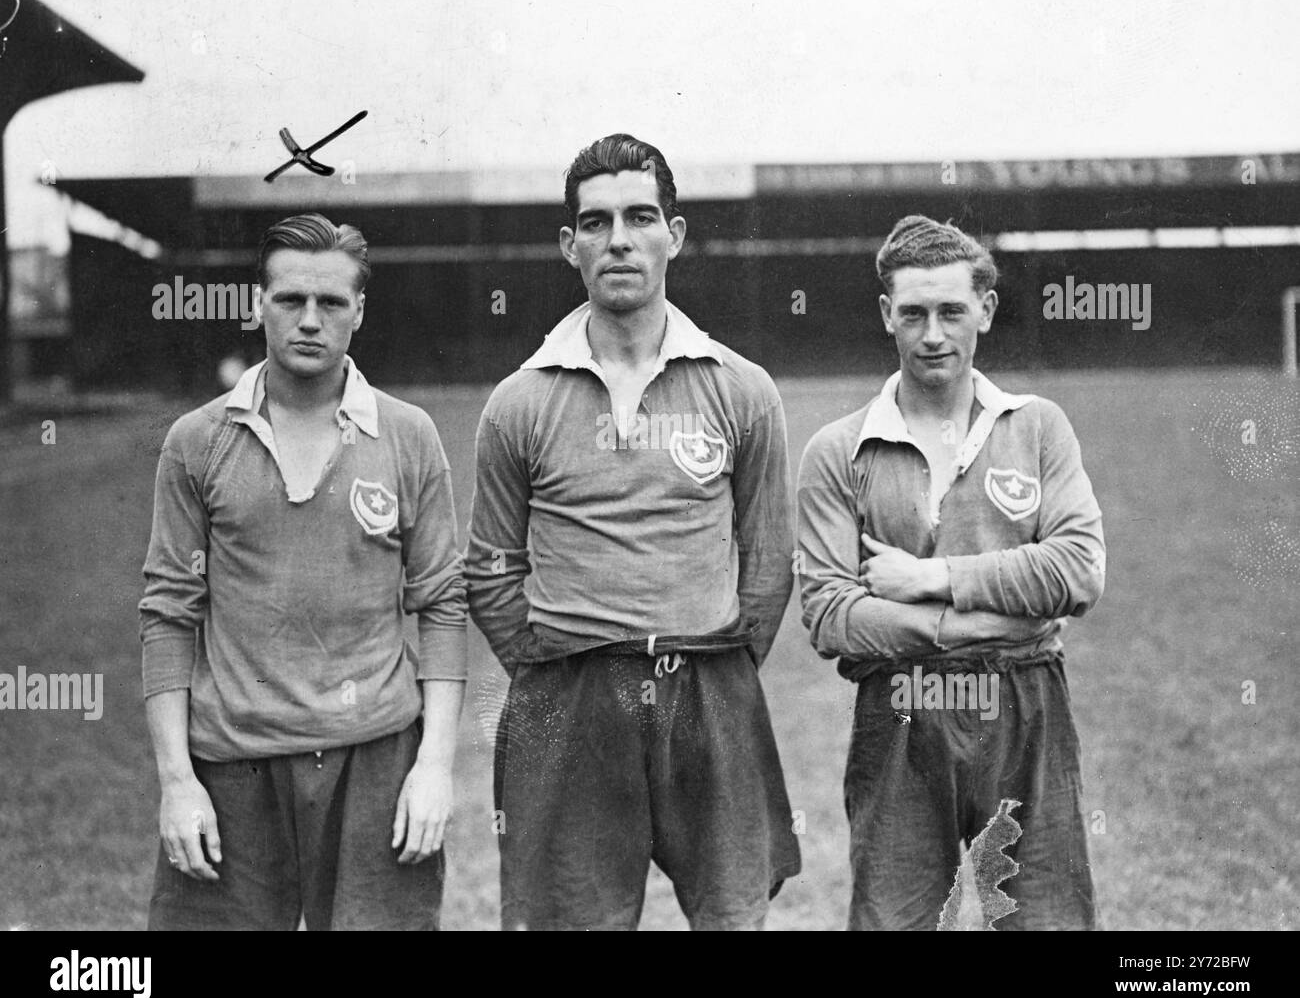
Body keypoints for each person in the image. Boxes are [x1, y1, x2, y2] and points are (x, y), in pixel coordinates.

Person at [466, 133, 800, 930]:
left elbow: (769, 558)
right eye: (596, 221)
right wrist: (564, 664)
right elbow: (488, 568)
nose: (618, 238)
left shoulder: (741, 389)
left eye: (640, 216)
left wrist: (718, 655)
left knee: (732, 916)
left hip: (711, 684)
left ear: (673, 236)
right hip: (570, 695)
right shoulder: (518, 402)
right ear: (569, 244)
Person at [138, 212, 467, 930]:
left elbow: (441, 603)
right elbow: (167, 613)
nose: (310, 320)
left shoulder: (407, 434)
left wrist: (434, 764)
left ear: (360, 311)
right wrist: (175, 781)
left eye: (332, 302)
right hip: (233, 762)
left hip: (375, 756)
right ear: (259, 305)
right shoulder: (196, 441)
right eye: (290, 300)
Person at [796, 214, 1105, 931]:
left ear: (985, 312)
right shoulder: (838, 450)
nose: (932, 333)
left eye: (951, 312)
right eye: (913, 313)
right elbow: (830, 613)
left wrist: (933, 578)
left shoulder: (1037, 427)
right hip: (901, 708)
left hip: (1025, 703)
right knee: (896, 921)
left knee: (1048, 919)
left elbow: (1080, 569)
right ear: (887, 316)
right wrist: (980, 620)